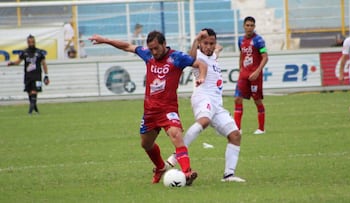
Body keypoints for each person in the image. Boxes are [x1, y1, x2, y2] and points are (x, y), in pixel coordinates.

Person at [89, 31, 207, 185]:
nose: (154, 52)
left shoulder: (176, 57)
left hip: (168, 109)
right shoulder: (148, 55)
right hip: (150, 111)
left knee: (176, 135)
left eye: (156, 48)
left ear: (164, 44)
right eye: (151, 49)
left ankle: (187, 172)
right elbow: (127, 46)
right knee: (146, 144)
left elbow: (200, 64)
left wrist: (201, 76)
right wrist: (104, 40)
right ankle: (160, 167)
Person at [166, 28, 245, 182]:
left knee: (235, 135)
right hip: (202, 97)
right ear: (200, 44)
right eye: (205, 43)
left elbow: (217, 48)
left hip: (217, 104)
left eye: (211, 43)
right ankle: (177, 155)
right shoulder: (198, 55)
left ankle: (228, 175)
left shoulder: (213, 55)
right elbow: (191, 56)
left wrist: (214, 44)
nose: (208, 46)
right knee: (204, 121)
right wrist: (197, 39)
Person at [234, 16, 269, 135]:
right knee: (237, 98)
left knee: (257, 100)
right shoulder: (241, 40)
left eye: (251, 25)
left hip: (255, 75)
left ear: (254, 27)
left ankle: (261, 129)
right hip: (244, 74)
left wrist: (258, 71)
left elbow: (265, 57)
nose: (249, 28)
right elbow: (242, 55)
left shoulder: (259, 40)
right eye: (247, 25)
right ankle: (237, 128)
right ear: (244, 26)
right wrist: (240, 69)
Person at [7, 35, 50, 114]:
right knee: (29, 92)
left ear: (35, 42)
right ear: (27, 43)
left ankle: (30, 112)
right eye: (29, 42)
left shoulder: (40, 52)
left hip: (37, 76)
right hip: (28, 76)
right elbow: (18, 62)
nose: (31, 44)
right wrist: (12, 63)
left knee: (35, 91)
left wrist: (46, 75)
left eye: (32, 42)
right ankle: (36, 110)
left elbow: (44, 64)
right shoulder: (24, 52)